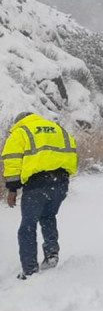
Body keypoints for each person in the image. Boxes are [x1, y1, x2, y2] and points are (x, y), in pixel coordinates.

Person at [2, 112, 78, 280]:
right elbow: (72, 152)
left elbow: (12, 160)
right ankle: (51, 253)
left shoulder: (21, 131)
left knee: (27, 227)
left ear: (19, 121)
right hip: (61, 182)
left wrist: (12, 189)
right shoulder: (56, 128)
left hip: (37, 184)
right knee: (48, 216)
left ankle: (29, 271)